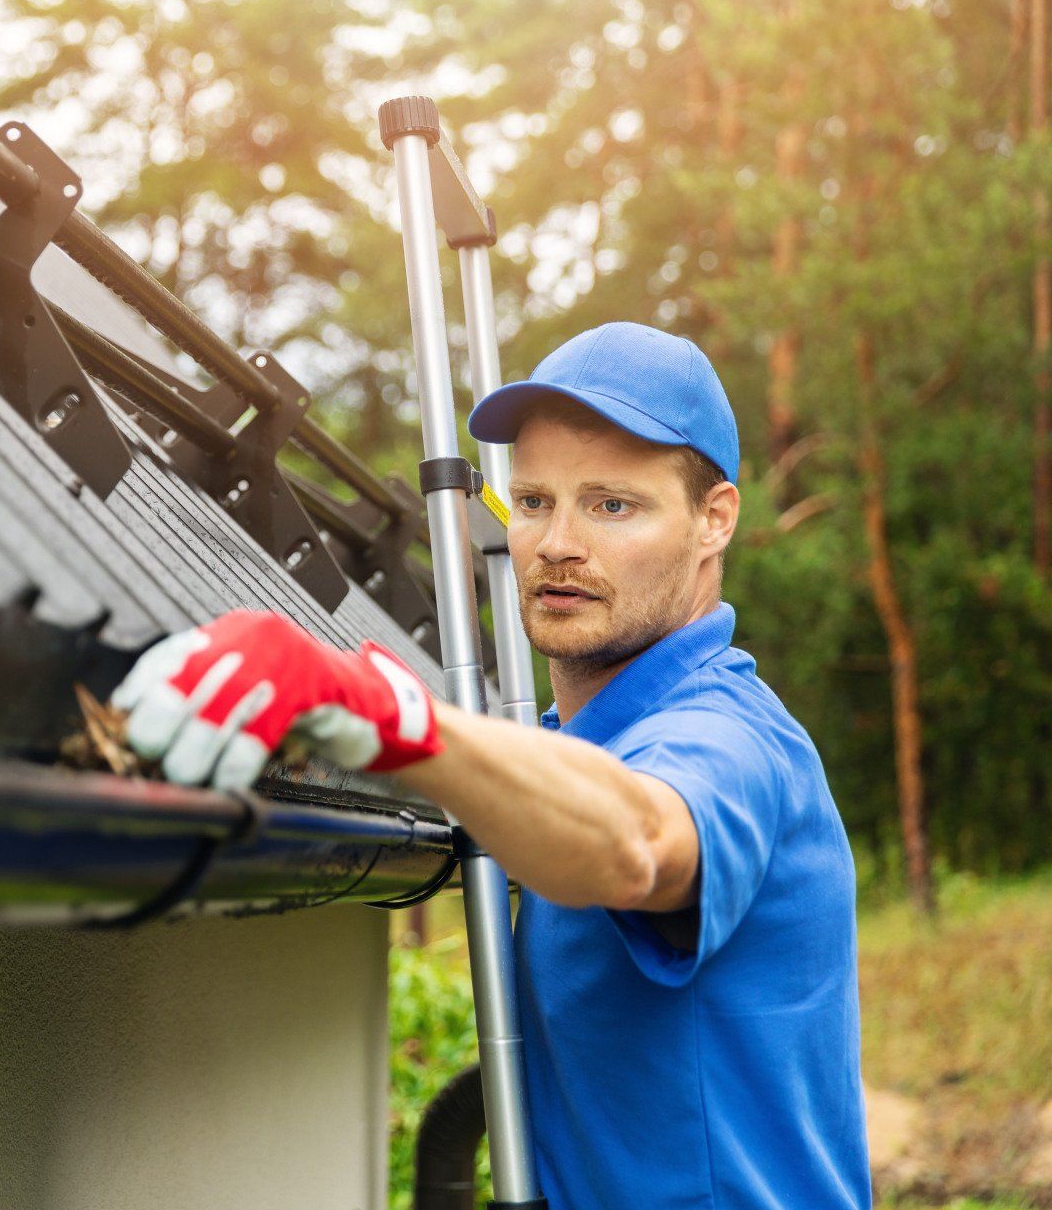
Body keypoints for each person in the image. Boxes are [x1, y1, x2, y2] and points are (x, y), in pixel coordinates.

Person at [111, 322, 871, 1208]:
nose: (556, 544)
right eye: (536, 501)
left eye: (612, 505)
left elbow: (638, 840)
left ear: (715, 520)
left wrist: (395, 720)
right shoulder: (568, 744)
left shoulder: (730, 738)